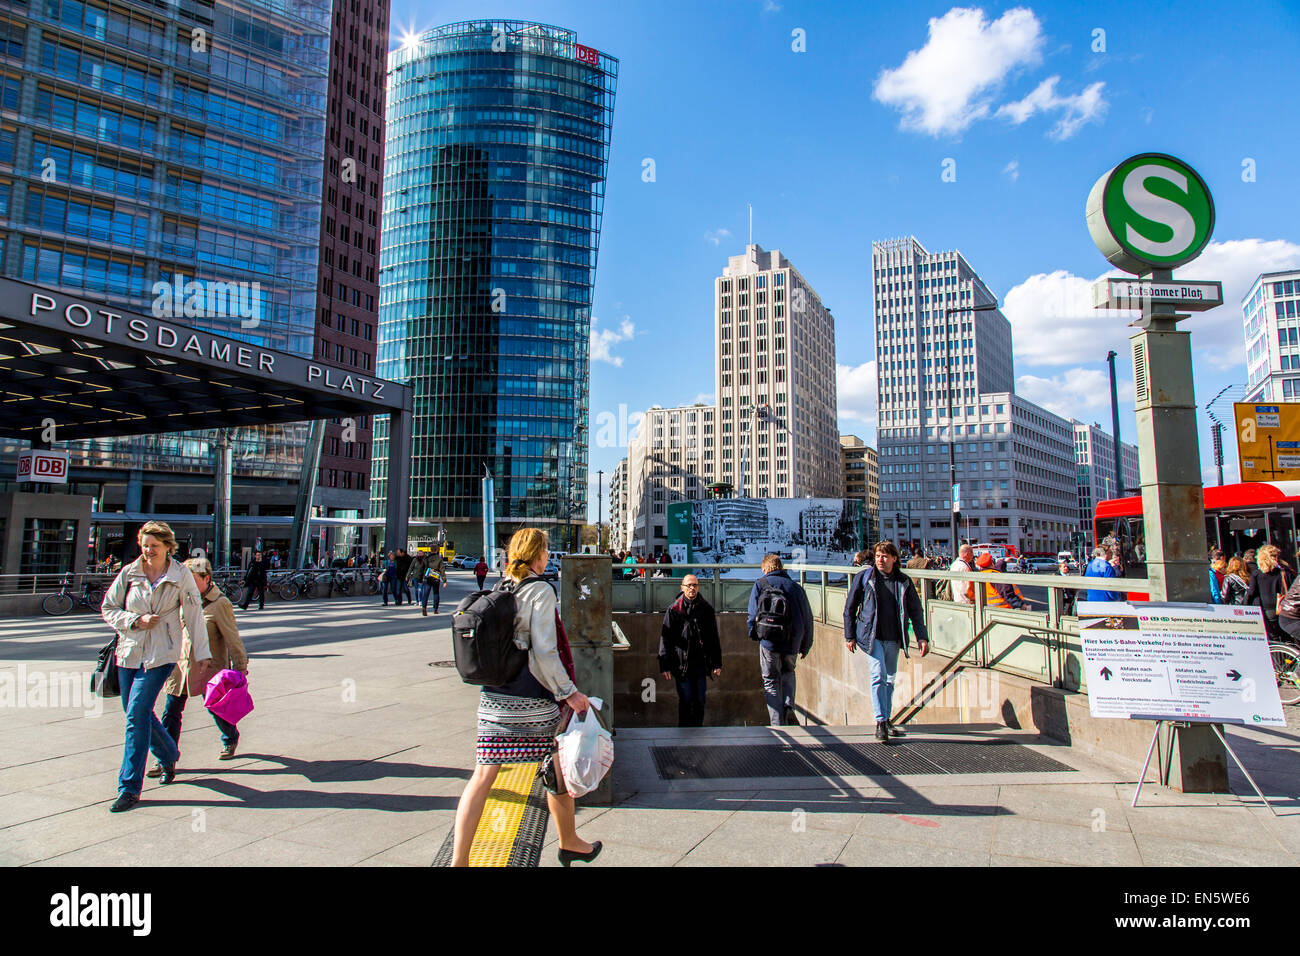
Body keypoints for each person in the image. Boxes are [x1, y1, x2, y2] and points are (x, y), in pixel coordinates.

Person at [451, 528, 602, 867]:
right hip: (530, 697)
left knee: (483, 776)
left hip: (493, 697)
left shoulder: (502, 587)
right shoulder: (540, 591)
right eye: (546, 551)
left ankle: (459, 861)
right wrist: (570, 693)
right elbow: (545, 653)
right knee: (557, 769)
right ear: (537, 556)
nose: (548, 557)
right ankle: (569, 841)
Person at [100, 521, 210, 813]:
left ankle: (129, 788)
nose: (148, 551)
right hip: (128, 653)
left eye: (154, 546)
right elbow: (108, 608)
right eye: (145, 545)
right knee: (136, 712)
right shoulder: (129, 572)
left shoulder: (180, 575)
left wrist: (202, 653)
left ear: (167, 547)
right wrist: (134, 621)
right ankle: (169, 752)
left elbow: (194, 615)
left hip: (161, 655)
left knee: (136, 715)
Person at [152, 557, 249, 777]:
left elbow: (232, 638)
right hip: (181, 666)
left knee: (216, 708)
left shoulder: (219, 604)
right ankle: (165, 757)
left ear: (206, 579)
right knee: (171, 711)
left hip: (209, 668)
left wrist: (240, 666)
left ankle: (230, 737)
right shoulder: (178, 599)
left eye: (192, 579)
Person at [843, 540, 930, 742]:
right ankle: (880, 722)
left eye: (884, 556)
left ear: (894, 558)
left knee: (889, 678)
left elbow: (916, 612)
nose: (880, 560)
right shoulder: (865, 578)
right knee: (878, 675)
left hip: (894, 637)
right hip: (871, 637)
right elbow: (850, 607)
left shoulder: (904, 582)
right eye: (877, 556)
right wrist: (850, 635)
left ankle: (887, 718)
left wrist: (921, 636)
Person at [746, 554, 814, 726]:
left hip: (769, 640)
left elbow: (753, 615)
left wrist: (754, 634)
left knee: (770, 681)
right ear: (780, 567)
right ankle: (789, 706)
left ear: (765, 568)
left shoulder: (760, 584)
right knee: (788, 672)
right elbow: (808, 619)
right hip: (792, 642)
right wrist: (805, 645)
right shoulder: (796, 587)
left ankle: (777, 723)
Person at [658, 574, 722, 727]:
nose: (692, 588)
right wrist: (664, 665)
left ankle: (697, 732)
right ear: (682, 587)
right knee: (686, 699)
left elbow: (713, 637)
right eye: (689, 585)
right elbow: (665, 639)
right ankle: (684, 733)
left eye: (695, 585)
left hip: (700, 663)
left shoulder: (706, 609)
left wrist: (716, 663)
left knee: (700, 699)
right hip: (681, 665)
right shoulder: (674, 609)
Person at [1245, 544, 1289, 643]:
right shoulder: (1282, 572)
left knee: (1273, 639)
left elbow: (1251, 592)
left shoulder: (1257, 574)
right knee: (1285, 637)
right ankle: (1288, 657)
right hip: (1282, 608)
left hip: (1267, 611)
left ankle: (1277, 657)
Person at [422, 549, 446, 616]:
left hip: (427, 577)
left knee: (425, 593)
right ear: (436, 550)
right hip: (435, 577)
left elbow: (422, 567)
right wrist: (444, 580)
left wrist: (420, 577)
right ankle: (435, 609)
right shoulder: (439, 559)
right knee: (436, 593)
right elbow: (442, 569)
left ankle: (424, 607)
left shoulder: (426, 558)